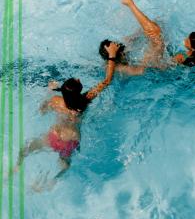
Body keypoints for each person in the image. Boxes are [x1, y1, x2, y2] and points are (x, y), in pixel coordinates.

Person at [16, 42, 120, 187]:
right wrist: (112, 54)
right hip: (70, 141)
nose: (78, 79)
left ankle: (17, 167)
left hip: (53, 136)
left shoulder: (56, 101)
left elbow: (41, 111)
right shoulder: (85, 101)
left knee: (26, 149)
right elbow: (107, 80)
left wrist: (49, 90)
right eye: (77, 82)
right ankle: (52, 181)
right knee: (65, 165)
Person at [99, 0, 166, 76]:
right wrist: (149, 58)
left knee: (156, 24)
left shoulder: (114, 61)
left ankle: (130, 4)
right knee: (156, 34)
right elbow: (141, 71)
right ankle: (129, 3)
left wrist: (135, 35)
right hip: (156, 70)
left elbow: (127, 44)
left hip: (153, 68)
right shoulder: (119, 68)